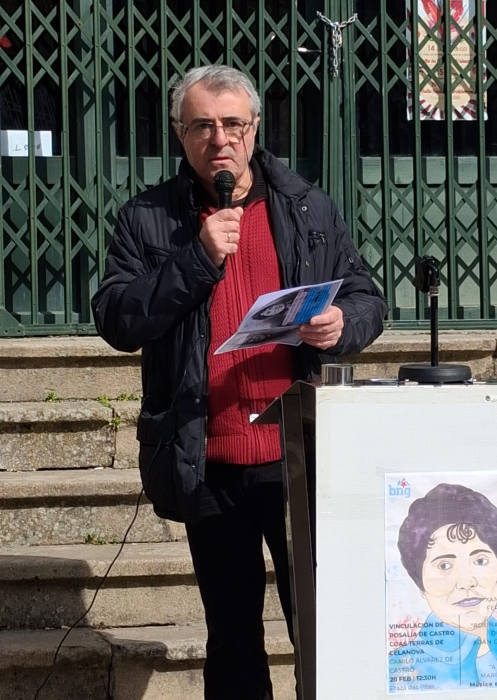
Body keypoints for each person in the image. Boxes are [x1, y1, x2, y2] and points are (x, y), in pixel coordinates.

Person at [92, 65, 387, 700]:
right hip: (209, 458)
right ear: (180, 134)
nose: (219, 139)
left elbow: (367, 296)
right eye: (202, 126)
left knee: (323, 625)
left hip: (299, 458)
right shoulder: (147, 218)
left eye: (232, 124)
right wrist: (197, 257)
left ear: (255, 128)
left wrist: (342, 323)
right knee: (232, 638)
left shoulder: (307, 206)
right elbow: (117, 318)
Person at [390, 483, 497, 693]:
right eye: (444, 566)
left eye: (480, 561)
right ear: (420, 582)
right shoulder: (400, 673)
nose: (466, 582)